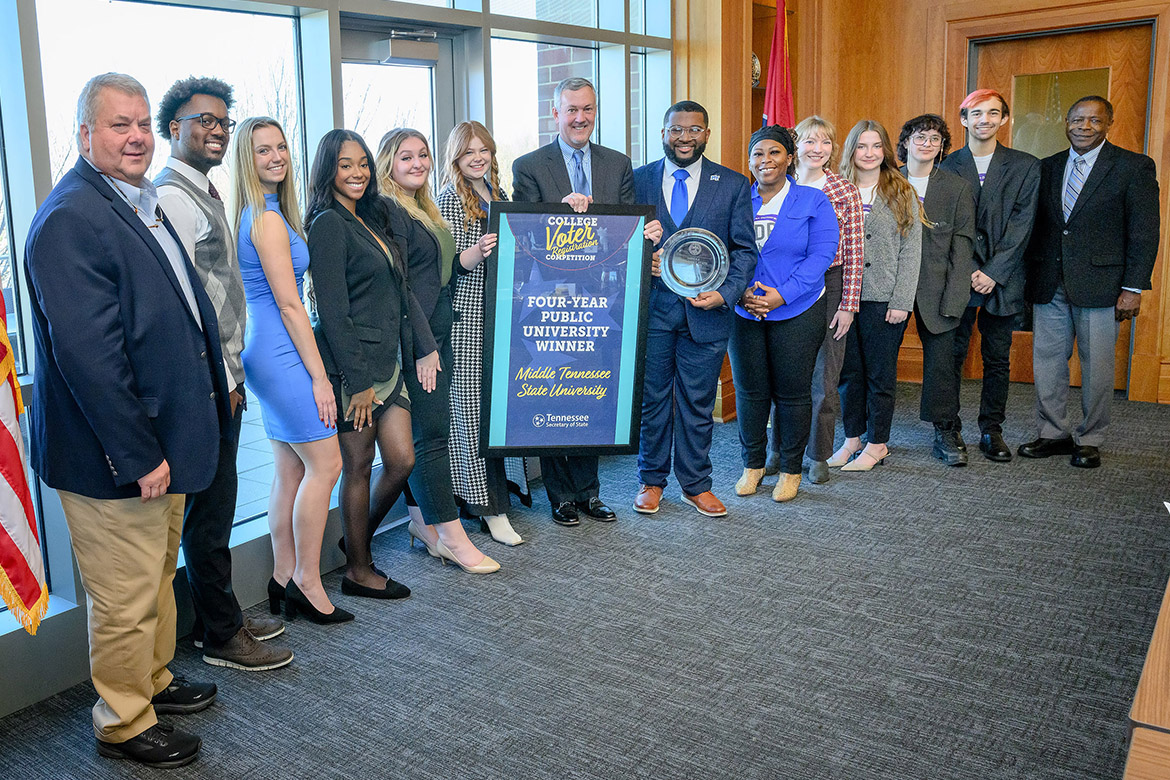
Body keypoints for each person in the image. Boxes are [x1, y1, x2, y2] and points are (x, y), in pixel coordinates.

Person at [24, 72, 228, 767]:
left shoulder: (136, 201)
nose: (137, 135)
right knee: (125, 593)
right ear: (85, 135)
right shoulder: (69, 219)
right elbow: (91, 359)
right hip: (116, 455)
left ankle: (153, 680)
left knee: (154, 577)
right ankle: (123, 720)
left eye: (143, 122)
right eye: (119, 124)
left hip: (164, 441)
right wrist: (138, 453)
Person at [154, 78, 292, 670]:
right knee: (209, 516)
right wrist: (218, 381)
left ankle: (224, 618)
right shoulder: (173, 199)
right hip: (206, 384)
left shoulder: (203, 192)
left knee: (218, 506)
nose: (215, 129)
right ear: (172, 128)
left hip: (226, 376)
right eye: (201, 120)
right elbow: (180, 303)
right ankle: (219, 638)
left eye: (221, 121)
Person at [229, 117, 349, 624]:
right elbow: (290, 305)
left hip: (265, 350)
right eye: (263, 151)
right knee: (328, 465)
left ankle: (281, 578)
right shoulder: (268, 220)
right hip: (282, 352)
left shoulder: (262, 212)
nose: (276, 157)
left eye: (281, 147)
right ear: (247, 159)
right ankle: (305, 580)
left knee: (290, 468)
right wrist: (320, 377)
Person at [308, 129, 427, 600]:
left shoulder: (370, 216)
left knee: (401, 460)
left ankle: (354, 538)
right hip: (356, 370)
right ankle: (359, 568)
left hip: (389, 362)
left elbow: (397, 290)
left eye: (362, 164)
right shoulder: (327, 224)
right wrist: (355, 383)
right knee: (357, 466)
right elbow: (333, 312)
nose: (357, 173)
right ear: (328, 171)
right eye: (345, 165)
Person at [376, 127, 499, 574]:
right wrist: (426, 348)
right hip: (418, 344)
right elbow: (402, 288)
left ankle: (420, 525)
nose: (417, 164)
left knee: (424, 435)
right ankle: (452, 535)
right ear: (387, 162)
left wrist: (476, 253)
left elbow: (444, 272)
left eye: (423, 155)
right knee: (431, 438)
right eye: (405, 157)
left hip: (439, 334)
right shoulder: (388, 209)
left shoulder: (424, 206)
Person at [1019, 96, 1160, 468]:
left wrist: (1133, 287)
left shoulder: (1133, 167)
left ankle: (1090, 437)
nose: (1084, 126)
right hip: (1050, 281)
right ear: (1066, 122)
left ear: (1108, 124)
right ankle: (1052, 432)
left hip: (1104, 286)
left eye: (1095, 121)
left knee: (1097, 365)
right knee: (1047, 361)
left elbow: (1145, 233)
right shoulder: (1047, 167)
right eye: (1078, 119)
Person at [632, 100, 757, 517]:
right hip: (652, 311)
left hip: (708, 312)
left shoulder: (734, 185)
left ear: (707, 133)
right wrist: (641, 262)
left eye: (694, 130)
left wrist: (725, 293)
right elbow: (615, 241)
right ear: (663, 133)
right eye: (676, 130)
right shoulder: (636, 181)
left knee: (698, 402)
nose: (684, 137)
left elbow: (744, 251)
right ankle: (651, 480)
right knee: (651, 400)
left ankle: (696, 484)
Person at [510, 77, 625, 527]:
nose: (580, 118)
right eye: (571, 109)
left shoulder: (618, 165)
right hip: (551, 304)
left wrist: (648, 235)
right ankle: (560, 495)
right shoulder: (530, 166)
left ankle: (590, 492)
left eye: (588, 109)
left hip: (603, 304)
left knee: (594, 392)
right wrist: (561, 212)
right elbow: (525, 235)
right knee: (558, 393)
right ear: (554, 114)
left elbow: (626, 234)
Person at [729, 125, 838, 503]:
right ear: (749, 160)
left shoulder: (813, 201)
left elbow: (822, 256)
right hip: (744, 312)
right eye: (757, 154)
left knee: (792, 394)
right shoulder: (738, 199)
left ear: (790, 157)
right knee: (750, 393)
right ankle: (753, 465)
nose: (765, 161)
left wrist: (782, 296)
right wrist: (740, 293)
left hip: (798, 311)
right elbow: (724, 251)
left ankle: (791, 470)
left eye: (774, 153)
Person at [436, 121, 528, 546]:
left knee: (499, 415)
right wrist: (479, 251)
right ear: (455, 157)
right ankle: (485, 507)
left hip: (503, 319)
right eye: (468, 151)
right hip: (469, 321)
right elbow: (447, 267)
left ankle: (502, 496)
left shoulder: (500, 194)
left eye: (484, 150)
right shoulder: (450, 200)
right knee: (471, 418)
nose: (478, 157)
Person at [938, 89, 1040, 462]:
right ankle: (947, 429)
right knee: (951, 356)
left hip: (1004, 278)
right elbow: (941, 230)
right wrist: (968, 270)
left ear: (1004, 119)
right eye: (976, 113)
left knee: (997, 358)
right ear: (964, 120)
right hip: (957, 279)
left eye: (993, 113)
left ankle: (991, 430)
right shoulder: (946, 165)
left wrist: (993, 272)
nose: (985, 119)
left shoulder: (1026, 166)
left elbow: (1022, 225)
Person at [766, 115, 864, 484]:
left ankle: (818, 454)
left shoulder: (843, 190)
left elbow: (855, 250)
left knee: (824, 379)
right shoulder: (776, 185)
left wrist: (848, 305)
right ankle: (779, 449)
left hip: (831, 285)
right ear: (794, 149)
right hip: (784, 287)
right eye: (808, 141)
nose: (816, 149)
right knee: (783, 376)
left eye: (824, 143)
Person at [832, 120, 923, 471]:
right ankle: (852, 437)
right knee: (848, 373)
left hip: (885, 300)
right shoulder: (837, 189)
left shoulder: (902, 190)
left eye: (875, 146)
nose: (869, 154)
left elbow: (911, 250)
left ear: (885, 150)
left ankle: (877, 443)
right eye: (861, 146)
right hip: (843, 298)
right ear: (851, 150)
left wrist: (902, 301)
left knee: (879, 375)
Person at [896, 114, 978, 466]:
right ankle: (871, 432)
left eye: (934, 139)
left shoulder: (957, 188)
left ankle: (946, 428)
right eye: (919, 137)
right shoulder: (886, 181)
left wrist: (957, 296)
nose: (927, 144)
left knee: (943, 364)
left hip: (940, 287)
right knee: (877, 362)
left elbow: (963, 249)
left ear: (943, 146)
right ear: (905, 143)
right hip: (890, 288)